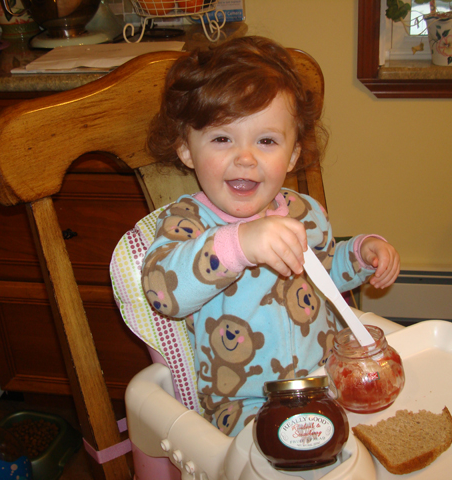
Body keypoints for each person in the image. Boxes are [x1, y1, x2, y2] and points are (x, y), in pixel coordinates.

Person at [141, 36, 400, 436]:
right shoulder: (186, 223)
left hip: (325, 380)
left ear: (293, 154)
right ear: (186, 149)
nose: (245, 157)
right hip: (244, 405)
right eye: (222, 138)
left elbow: (325, 275)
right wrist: (240, 244)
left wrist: (361, 255)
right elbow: (162, 292)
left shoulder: (303, 212)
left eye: (266, 141)